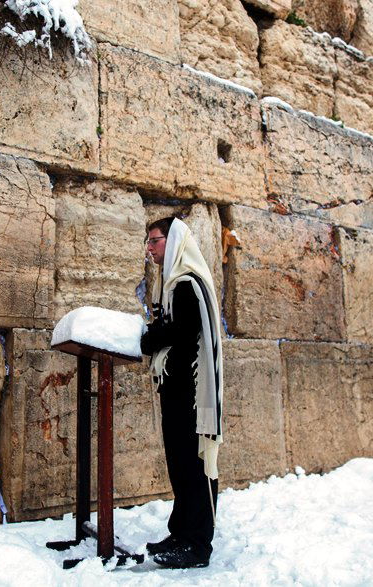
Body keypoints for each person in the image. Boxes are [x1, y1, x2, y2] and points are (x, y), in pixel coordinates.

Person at [141, 217, 224, 569]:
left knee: (194, 464)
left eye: (154, 241)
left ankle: (198, 544)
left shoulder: (188, 284)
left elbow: (181, 333)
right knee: (179, 463)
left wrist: (148, 339)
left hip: (191, 393)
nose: (149, 248)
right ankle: (181, 531)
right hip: (175, 391)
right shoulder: (173, 284)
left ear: (173, 241)